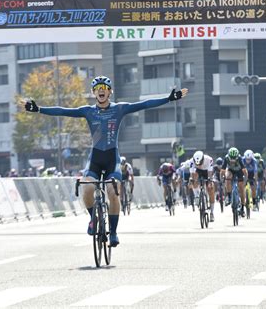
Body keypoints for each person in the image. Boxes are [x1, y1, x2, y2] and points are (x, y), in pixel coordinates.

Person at [24, 75, 188, 246]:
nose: (101, 91)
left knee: (113, 191)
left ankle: (114, 233)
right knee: (87, 188)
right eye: (98, 89)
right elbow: (62, 110)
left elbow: (144, 104)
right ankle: (93, 219)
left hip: (112, 158)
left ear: (110, 92)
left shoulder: (119, 109)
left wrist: (169, 99)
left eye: (104, 88)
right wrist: (38, 109)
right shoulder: (88, 111)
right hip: (95, 157)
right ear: (94, 92)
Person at [221, 147, 248, 217]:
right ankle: (229, 196)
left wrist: (245, 180)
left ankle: (242, 207)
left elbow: (244, 170)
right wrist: (222, 178)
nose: (232, 160)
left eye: (234, 158)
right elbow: (223, 170)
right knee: (228, 177)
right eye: (231, 158)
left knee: (241, 188)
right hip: (231, 170)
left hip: (239, 171)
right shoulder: (226, 158)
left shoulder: (239, 158)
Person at [190, 151, 215, 221]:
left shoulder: (209, 159)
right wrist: (192, 180)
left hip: (207, 172)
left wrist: (209, 181)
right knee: (193, 178)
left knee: (211, 188)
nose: (199, 164)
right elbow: (191, 173)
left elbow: (210, 173)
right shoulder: (191, 161)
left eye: (200, 163)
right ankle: (197, 196)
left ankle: (212, 213)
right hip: (198, 172)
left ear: (203, 159)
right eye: (197, 163)